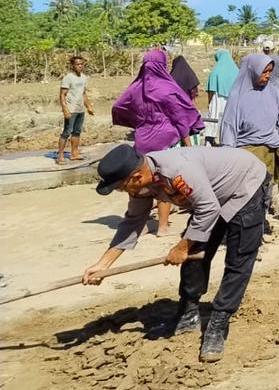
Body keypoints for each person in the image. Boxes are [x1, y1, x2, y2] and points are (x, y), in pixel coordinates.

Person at [82, 143, 269, 363]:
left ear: (135, 177)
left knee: (238, 258)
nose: (124, 192)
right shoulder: (142, 183)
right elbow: (133, 221)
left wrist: (181, 248)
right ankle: (188, 312)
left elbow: (208, 208)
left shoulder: (177, 170)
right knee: (194, 253)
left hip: (244, 185)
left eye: (122, 187)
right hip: (210, 197)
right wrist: (103, 265)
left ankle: (219, 322)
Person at [112, 49, 206, 235]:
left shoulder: (135, 88)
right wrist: (188, 143)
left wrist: (136, 120)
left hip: (142, 139)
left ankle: (137, 220)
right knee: (163, 181)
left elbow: (118, 106)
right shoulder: (166, 89)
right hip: (164, 142)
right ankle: (162, 226)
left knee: (139, 180)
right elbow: (181, 117)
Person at [218, 52, 279, 224]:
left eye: (270, 71)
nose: (267, 76)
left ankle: (260, 222)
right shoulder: (238, 96)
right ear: (252, 71)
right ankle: (246, 225)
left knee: (266, 188)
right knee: (249, 192)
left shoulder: (273, 91)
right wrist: (228, 157)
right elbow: (229, 128)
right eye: (264, 72)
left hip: (270, 148)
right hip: (248, 151)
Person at [57, 55, 94, 164]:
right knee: (66, 132)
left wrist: (89, 106)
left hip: (80, 108)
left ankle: (74, 153)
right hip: (71, 109)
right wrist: (65, 109)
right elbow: (62, 95)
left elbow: (83, 93)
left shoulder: (83, 77)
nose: (80, 66)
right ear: (72, 65)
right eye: (77, 64)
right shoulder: (68, 78)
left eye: (81, 64)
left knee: (77, 132)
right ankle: (60, 155)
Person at [204, 48, 239, 144]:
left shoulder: (215, 72)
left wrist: (209, 102)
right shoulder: (236, 70)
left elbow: (211, 90)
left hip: (217, 99)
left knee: (213, 116)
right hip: (232, 100)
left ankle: (210, 140)